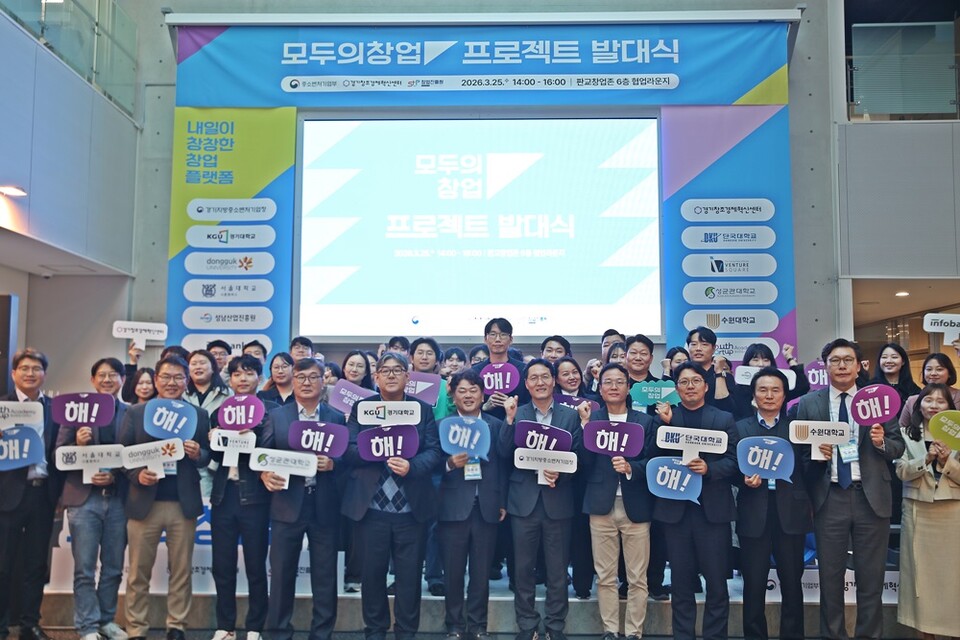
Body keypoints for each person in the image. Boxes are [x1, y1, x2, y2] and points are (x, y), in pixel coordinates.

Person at [796, 338, 904, 640]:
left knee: (871, 578)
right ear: (825, 366)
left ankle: (869, 635)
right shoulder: (809, 403)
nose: (841, 366)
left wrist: (881, 442)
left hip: (871, 498)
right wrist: (817, 455)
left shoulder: (878, 401)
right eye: (834, 360)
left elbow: (897, 447)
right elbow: (800, 454)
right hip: (829, 497)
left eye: (847, 360)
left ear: (859, 366)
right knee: (830, 578)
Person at [342, 353, 443, 640]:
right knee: (372, 577)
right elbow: (348, 449)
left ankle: (406, 633)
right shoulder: (363, 408)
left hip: (411, 511)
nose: (390, 375)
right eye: (384, 370)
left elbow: (434, 451)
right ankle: (374, 633)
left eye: (397, 370)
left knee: (409, 579)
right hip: (371, 510)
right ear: (375, 377)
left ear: (407, 377)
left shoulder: (421, 410)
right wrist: (375, 449)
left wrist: (412, 466)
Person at [120, 355, 210, 640]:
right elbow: (122, 454)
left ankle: (177, 626)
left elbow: (207, 456)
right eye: (166, 377)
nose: (172, 383)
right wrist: (138, 475)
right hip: (144, 502)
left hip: (183, 504)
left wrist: (198, 453)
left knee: (181, 571)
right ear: (156, 379)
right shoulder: (137, 412)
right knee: (138, 572)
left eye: (178, 377)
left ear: (187, 381)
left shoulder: (198, 414)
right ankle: (136, 629)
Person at [260, 358, 345, 640]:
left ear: (323, 381)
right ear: (292, 380)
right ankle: (277, 633)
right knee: (281, 575)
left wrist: (333, 464)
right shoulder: (277, 416)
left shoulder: (336, 417)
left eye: (313, 377)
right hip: (286, 504)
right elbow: (261, 456)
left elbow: (347, 460)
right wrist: (265, 474)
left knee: (325, 577)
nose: (306, 382)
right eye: (300, 377)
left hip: (324, 505)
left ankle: (321, 634)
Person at [654, 361, 738, 640]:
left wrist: (710, 469)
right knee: (681, 584)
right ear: (676, 388)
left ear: (706, 386)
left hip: (712, 513)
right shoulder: (666, 417)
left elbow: (734, 461)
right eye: (684, 382)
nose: (690, 386)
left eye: (695, 381)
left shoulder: (723, 419)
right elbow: (651, 456)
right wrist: (665, 423)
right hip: (676, 513)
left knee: (717, 584)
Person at [498, 358, 582, 640]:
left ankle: (555, 627)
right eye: (533, 378)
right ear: (526, 384)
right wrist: (509, 420)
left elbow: (579, 457)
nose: (540, 382)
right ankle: (527, 625)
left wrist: (562, 473)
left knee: (558, 571)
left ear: (554, 380)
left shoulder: (570, 416)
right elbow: (503, 453)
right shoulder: (518, 413)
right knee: (523, 570)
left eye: (545, 376)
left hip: (558, 501)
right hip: (523, 503)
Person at [579, 363, 658, 640]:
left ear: (628, 387)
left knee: (637, 577)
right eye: (608, 382)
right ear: (600, 389)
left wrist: (630, 468)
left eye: (619, 382)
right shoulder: (592, 419)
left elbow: (653, 461)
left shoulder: (644, 421)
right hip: (600, 506)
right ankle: (610, 631)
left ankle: (634, 632)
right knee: (605, 576)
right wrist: (584, 427)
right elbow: (582, 463)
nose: (613, 387)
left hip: (636, 506)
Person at [55, 358, 129, 640]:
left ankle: (106, 621)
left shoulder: (131, 412)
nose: (107, 380)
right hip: (84, 500)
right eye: (102, 375)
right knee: (84, 569)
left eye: (113, 375)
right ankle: (87, 626)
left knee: (113, 568)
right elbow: (58, 456)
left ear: (123, 379)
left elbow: (136, 455)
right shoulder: (75, 412)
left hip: (118, 500)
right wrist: (78, 444)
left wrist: (115, 477)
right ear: (93, 380)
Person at [735, 367, 811, 640]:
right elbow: (731, 467)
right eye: (763, 390)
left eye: (775, 390)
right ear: (754, 395)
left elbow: (808, 469)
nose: (769, 395)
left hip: (790, 513)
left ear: (784, 395)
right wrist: (743, 478)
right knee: (753, 584)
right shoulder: (740, 427)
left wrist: (820, 456)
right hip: (753, 513)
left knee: (792, 584)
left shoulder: (796, 429)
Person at [437, 369, 506, 640]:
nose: (468, 395)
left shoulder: (495, 425)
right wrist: (448, 464)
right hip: (452, 507)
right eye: (462, 391)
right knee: (453, 571)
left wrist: (502, 501)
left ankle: (478, 626)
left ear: (482, 395)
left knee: (481, 572)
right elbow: (430, 465)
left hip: (487, 506)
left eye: (473, 390)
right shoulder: (442, 425)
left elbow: (504, 466)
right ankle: (454, 625)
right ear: (453, 396)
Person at [208, 355, 274, 640]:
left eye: (249, 373)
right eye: (237, 374)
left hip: (255, 498)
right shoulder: (219, 412)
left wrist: (252, 437)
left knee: (256, 566)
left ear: (259, 377)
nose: (243, 379)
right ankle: (225, 626)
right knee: (222, 565)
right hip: (224, 496)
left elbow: (270, 451)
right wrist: (214, 437)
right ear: (230, 379)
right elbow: (212, 455)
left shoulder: (268, 412)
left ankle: (255, 628)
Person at [0, 349, 62, 640]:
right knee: (3, 563)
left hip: (43, 495)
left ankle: (29, 624)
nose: (30, 373)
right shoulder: (2, 407)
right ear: (14, 373)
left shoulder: (56, 409)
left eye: (36, 368)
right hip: (7, 496)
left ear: (44, 374)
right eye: (24, 368)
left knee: (36, 564)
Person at [895, 383, 960, 640]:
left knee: (953, 581)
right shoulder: (905, 433)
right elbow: (901, 471)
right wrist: (927, 459)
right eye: (928, 400)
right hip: (918, 512)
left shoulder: (958, 434)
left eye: (940, 401)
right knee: (920, 581)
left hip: (952, 513)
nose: (933, 405)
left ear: (950, 406)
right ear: (918, 405)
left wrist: (947, 461)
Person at [731, 343, 810, 420]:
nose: (761, 364)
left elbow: (803, 387)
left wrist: (789, 358)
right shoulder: (738, 390)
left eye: (766, 360)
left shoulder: (779, 387)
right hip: (746, 428)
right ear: (748, 363)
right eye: (755, 360)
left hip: (777, 427)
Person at [472, 318, 529, 420]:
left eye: (503, 334)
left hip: (516, 424)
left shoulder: (523, 370)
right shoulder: (475, 372)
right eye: (493, 334)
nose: (498, 339)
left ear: (511, 339)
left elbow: (531, 403)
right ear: (485, 339)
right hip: (485, 425)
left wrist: (514, 405)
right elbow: (467, 404)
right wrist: (483, 407)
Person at [899, 353, 960, 429]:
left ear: (950, 373)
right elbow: (900, 430)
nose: (933, 373)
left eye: (939, 369)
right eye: (929, 369)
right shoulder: (912, 401)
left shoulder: (958, 397)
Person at [685, 327, 737, 414]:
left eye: (704, 344)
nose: (698, 348)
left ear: (713, 348)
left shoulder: (725, 377)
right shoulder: (682, 375)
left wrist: (719, 374)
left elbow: (727, 409)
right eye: (694, 344)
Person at [185, 349, 231, 415]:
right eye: (193, 364)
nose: (198, 367)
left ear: (213, 368)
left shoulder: (227, 393)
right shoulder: (182, 393)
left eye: (202, 363)